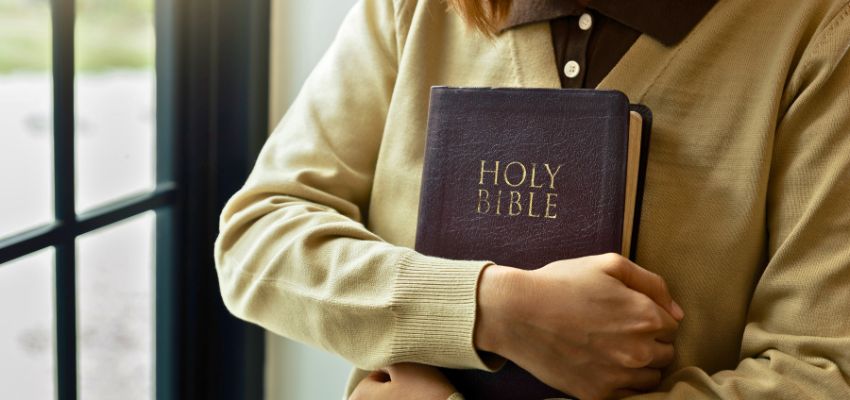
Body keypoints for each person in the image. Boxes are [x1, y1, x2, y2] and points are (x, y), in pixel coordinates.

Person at [214, 0, 850, 398]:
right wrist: (494, 309)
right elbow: (257, 241)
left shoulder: (819, 30)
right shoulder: (410, 9)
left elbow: (821, 373)